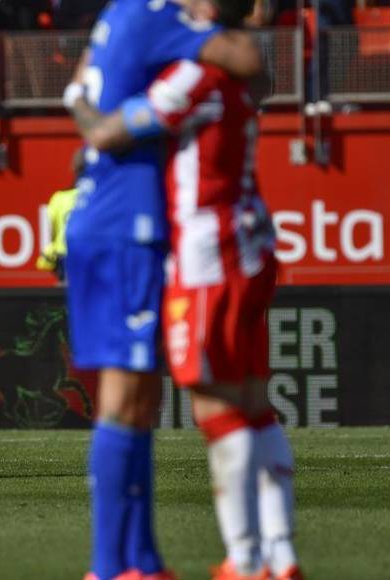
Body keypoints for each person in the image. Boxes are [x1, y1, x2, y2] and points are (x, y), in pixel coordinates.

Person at [66, 0, 301, 577]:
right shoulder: (176, 32)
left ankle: (146, 562)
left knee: (144, 402)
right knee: (141, 400)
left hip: (168, 235)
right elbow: (249, 58)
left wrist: (86, 124)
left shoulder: (136, 22)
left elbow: (88, 101)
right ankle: (123, 565)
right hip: (149, 229)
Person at [36, 147, 85, 282]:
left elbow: (49, 232)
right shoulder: (98, 196)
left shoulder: (59, 197)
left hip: (63, 259)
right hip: (90, 256)